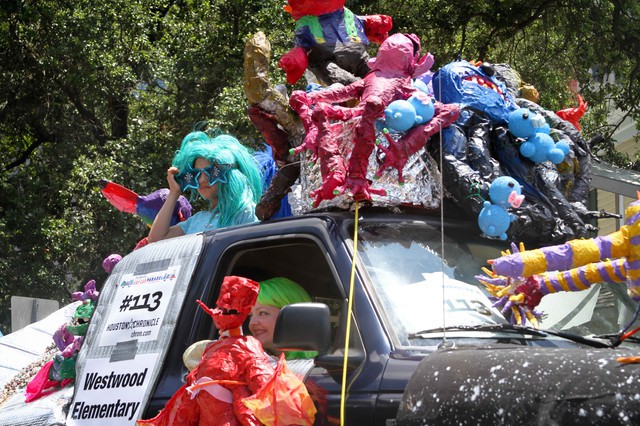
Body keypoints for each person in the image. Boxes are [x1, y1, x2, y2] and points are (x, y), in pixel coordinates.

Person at [148, 131, 263, 242]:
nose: (202, 180)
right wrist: (174, 193)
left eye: (212, 172)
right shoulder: (195, 220)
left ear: (231, 175)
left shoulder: (246, 213)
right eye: (196, 174)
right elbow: (156, 240)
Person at [249, 277, 318, 360]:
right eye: (250, 315)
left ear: (292, 316)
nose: (252, 323)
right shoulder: (247, 362)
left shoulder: (320, 366)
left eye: (263, 313)